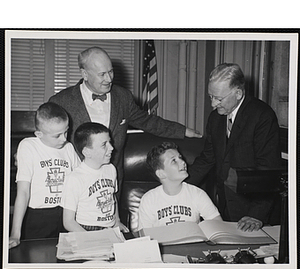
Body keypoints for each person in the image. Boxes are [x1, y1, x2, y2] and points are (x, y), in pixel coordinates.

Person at [48, 46, 201, 203]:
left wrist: (183, 131)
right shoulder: (61, 102)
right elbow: (48, 141)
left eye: (111, 71)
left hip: (112, 183)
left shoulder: (122, 97)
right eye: (102, 74)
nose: (109, 79)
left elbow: (148, 121)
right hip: (74, 182)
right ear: (84, 74)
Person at [187, 63, 282, 232]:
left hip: (254, 213)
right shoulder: (215, 118)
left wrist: (257, 214)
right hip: (226, 207)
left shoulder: (262, 116)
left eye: (219, 98)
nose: (213, 104)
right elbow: (207, 159)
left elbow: (268, 170)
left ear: (238, 93)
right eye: (211, 96)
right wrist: (179, 186)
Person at [9, 102, 80, 249]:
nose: (64, 139)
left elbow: (82, 178)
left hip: (66, 214)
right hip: (38, 217)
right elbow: (23, 191)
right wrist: (15, 233)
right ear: (39, 134)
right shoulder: (28, 146)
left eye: (66, 132)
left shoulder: (68, 148)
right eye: (57, 135)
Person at [137, 142, 222, 230]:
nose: (183, 162)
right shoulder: (148, 200)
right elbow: (145, 237)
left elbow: (219, 225)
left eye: (180, 157)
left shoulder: (197, 194)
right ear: (161, 174)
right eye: (174, 161)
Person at [62, 122, 128, 232]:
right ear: (87, 152)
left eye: (110, 142)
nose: (111, 148)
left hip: (110, 228)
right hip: (86, 229)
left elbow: (112, 197)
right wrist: (91, 238)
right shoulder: (75, 178)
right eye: (104, 145)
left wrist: (117, 221)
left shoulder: (111, 169)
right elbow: (68, 222)